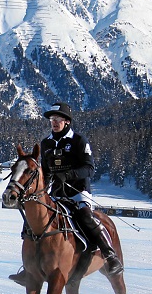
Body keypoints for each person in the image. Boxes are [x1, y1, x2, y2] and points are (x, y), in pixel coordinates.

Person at [9, 102, 122, 284]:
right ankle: (29, 268)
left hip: (78, 192)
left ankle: (109, 255)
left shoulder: (78, 141)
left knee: (85, 217)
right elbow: (44, 172)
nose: (54, 122)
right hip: (56, 194)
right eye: (52, 119)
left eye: (58, 119)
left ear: (67, 122)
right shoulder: (46, 144)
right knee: (33, 221)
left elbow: (89, 168)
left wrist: (68, 174)